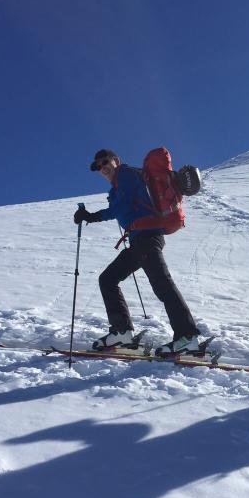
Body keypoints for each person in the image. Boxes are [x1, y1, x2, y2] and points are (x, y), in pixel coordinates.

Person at [74, 149, 201, 354]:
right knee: (108, 279)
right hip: (139, 242)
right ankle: (122, 333)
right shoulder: (117, 186)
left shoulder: (126, 175)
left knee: (163, 285)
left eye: (105, 162)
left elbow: (121, 207)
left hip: (147, 238)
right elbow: (124, 206)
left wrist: (91, 216)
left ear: (116, 160)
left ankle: (187, 336)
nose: (102, 168)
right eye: (98, 166)